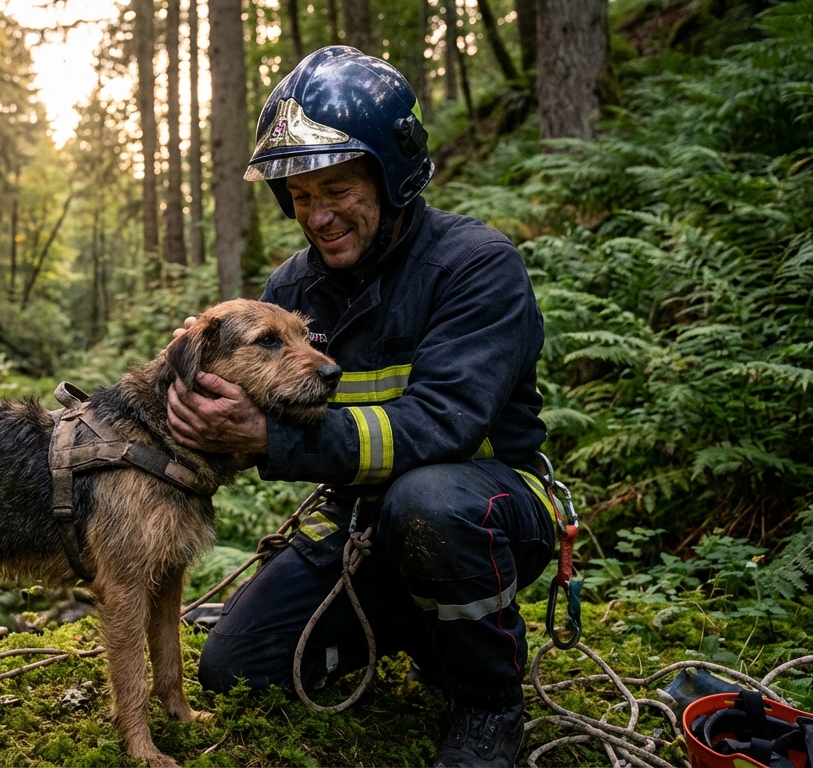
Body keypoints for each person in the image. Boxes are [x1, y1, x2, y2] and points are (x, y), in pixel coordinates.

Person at [166, 46, 555, 767]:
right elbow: (247, 393)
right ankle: (407, 621)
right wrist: (198, 409)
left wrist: (265, 439)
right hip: (357, 521)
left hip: (489, 507)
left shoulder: (475, 266)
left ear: (392, 173)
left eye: (337, 188)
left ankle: (488, 703)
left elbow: (443, 425)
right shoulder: (292, 288)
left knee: (429, 501)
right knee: (235, 670)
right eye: (301, 197)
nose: (319, 215)